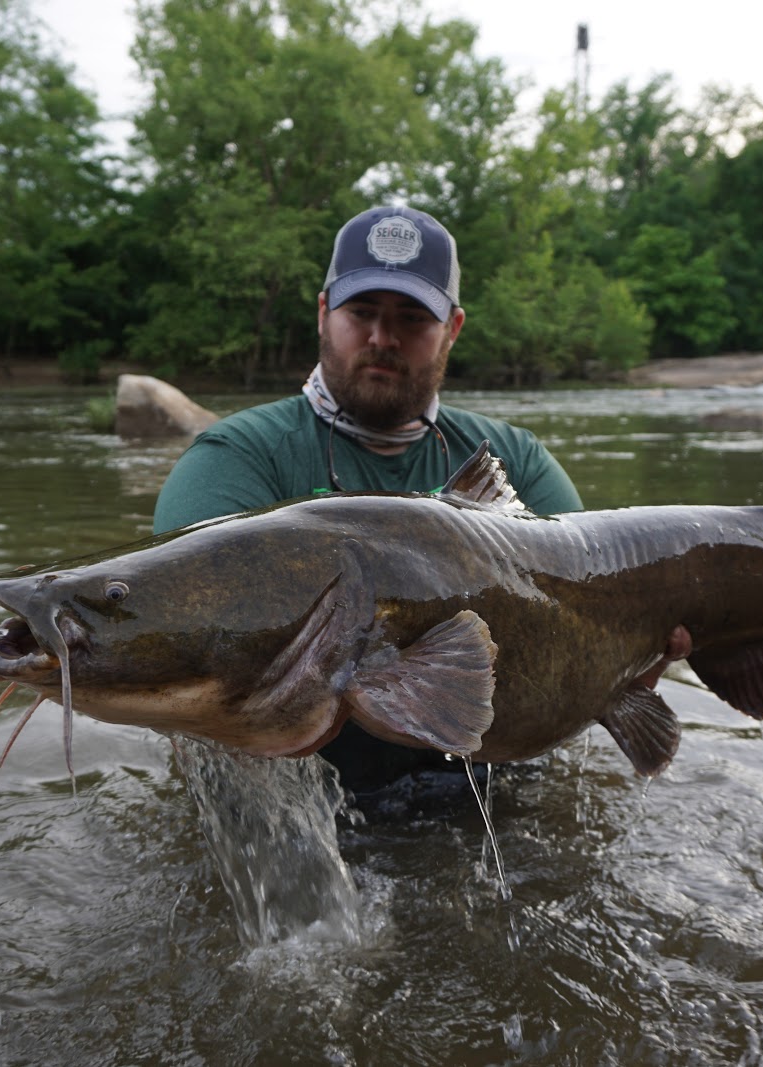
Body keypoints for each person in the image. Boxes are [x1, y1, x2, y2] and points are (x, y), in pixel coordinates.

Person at [151, 206, 582, 791]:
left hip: (489, 788)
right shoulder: (236, 459)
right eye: (362, 312)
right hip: (320, 806)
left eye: (411, 317)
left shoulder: (515, 460)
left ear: (452, 329)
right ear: (325, 314)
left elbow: (589, 605)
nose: (383, 337)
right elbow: (193, 642)